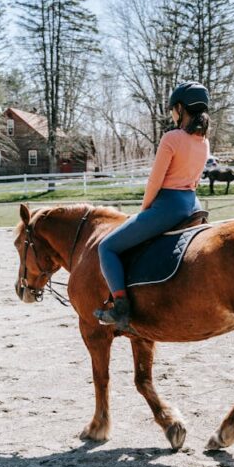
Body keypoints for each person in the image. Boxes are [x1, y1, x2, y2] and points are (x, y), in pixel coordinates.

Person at [94, 82, 211, 330]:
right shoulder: (204, 142)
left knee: (107, 247)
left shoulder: (172, 138)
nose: (172, 114)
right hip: (193, 204)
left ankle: (122, 309)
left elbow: (155, 181)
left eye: (173, 110)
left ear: (180, 108)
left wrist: (145, 209)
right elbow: (196, 180)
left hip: (168, 206)